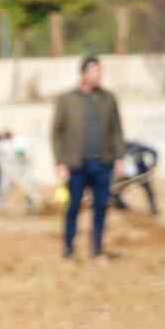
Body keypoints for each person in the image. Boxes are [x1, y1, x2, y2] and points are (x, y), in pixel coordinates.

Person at [51, 55, 126, 262]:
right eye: (95, 71)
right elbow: (57, 133)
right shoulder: (66, 100)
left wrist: (119, 158)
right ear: (83, 74)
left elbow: (117, 130)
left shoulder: (108, 99)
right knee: (73, 207)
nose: (99, 75)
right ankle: (69, 248)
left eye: (100, 71)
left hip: (103, 163)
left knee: (101, 207)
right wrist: (60, 162)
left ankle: (97, 249)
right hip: (76, 164)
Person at [111, 139, 158, 216]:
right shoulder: (116, 150)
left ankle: (154, 209)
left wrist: (153, 166)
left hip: (140, 173)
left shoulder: (137, 146)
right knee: (116, 190)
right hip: (126, 174)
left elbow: (153, 151)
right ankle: (119, 204)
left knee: (148, 190)